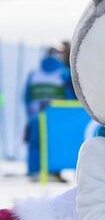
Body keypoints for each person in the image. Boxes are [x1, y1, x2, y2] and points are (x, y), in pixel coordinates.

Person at [24, 42, 73, 181]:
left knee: (35, 143)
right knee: (56, 142)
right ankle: (54, 172)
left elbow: (27, 96)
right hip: (57, 115)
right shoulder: (63, 73)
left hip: (36, 115)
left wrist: (30, 114)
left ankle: (34, 172)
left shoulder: (34, 74)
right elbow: (69, 94)